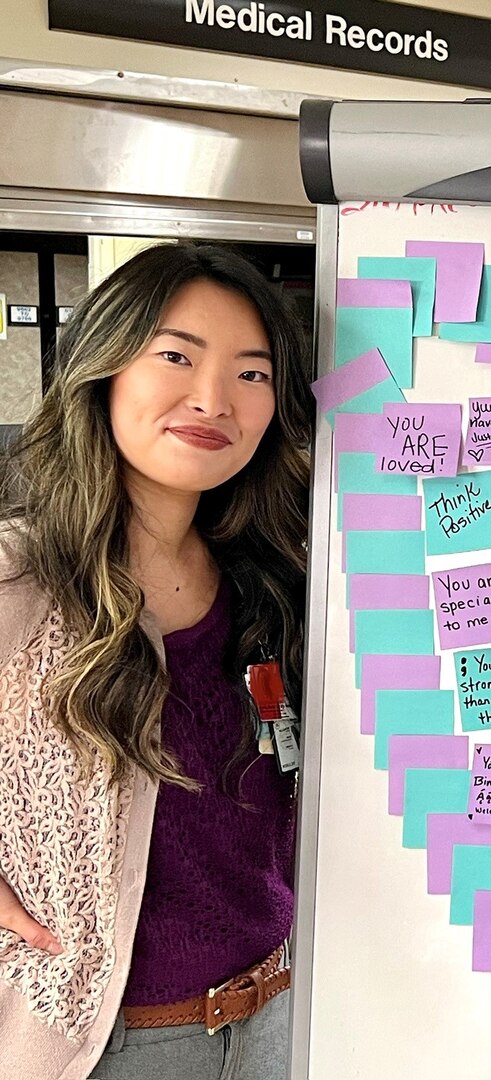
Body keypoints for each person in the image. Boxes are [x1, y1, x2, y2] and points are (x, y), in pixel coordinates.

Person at [0, 242, 313, 1080]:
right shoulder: (19, 580)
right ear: (104, 370)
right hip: (106, 1046)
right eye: (175, 356)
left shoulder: (273, 583)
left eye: (252, 373)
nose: (212, 399)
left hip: (278, 1021)